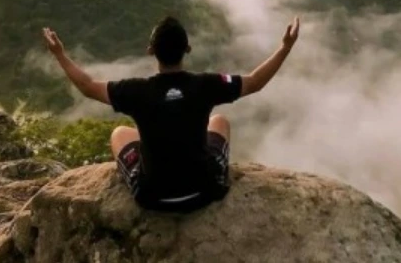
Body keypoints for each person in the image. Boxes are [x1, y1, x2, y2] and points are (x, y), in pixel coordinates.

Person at [42, 15, 300, 213]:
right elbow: (255, 82)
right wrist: (285, 47)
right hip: (203, 190)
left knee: (120, 133)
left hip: (153, 196)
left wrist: (60, 54)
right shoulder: (206, 85)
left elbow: (87, 86)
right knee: (219, 121)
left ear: (150, 51)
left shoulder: (136, 91)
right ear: (187, 49)